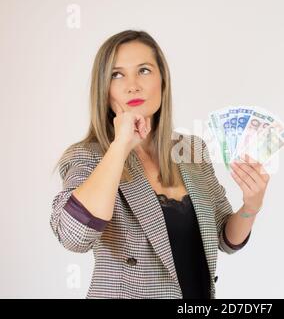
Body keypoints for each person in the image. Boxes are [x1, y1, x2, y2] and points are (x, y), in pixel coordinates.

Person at [50, 30, 270, 299]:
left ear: (163, 81)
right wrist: (120, 146)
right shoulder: (88, 156)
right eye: (117, 75)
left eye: (143, 70)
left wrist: (251, 206)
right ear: (104, 90)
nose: (132, 85)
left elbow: (226, 238)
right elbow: (73, 237)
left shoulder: (190, 149)